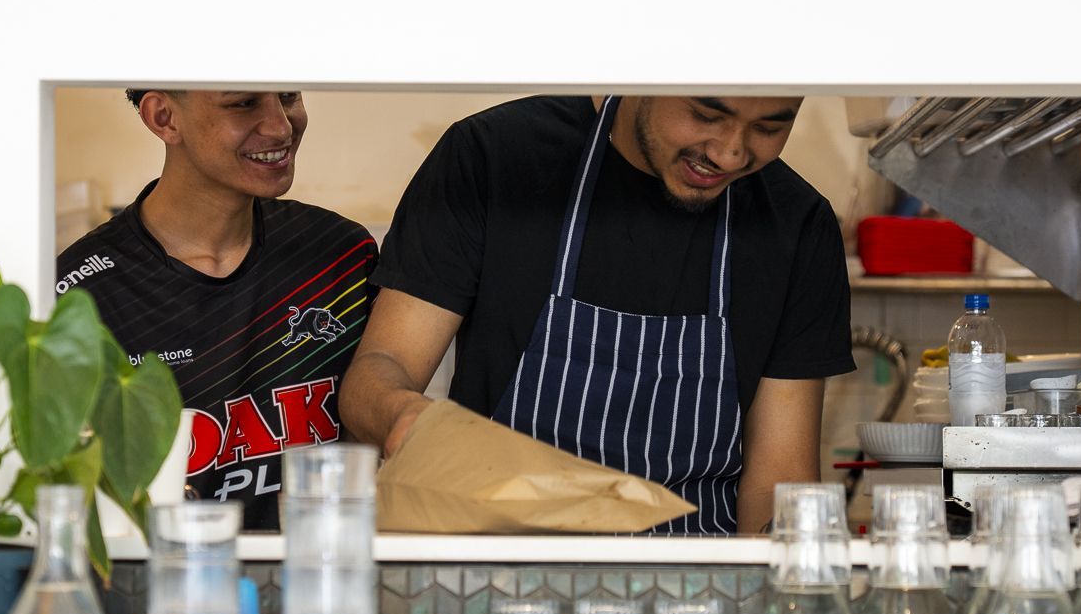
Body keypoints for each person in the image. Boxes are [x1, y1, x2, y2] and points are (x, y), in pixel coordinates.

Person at [340, 95, 852, 536]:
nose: (731, 152)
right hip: (498, 581)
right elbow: (378, 371)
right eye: (705, 115)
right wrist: (402, 416)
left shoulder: (797, 224)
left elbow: (779, 478)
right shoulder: (495, 159)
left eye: (770, 127)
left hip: (699, 597)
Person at [56, 89, 376, 531]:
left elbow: (372, 453)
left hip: (317, 579)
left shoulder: (339, 253)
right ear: (164, 116)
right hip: (163, 586)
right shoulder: (80, 294)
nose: (280, 125)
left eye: (287, 96)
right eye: (243, 103)